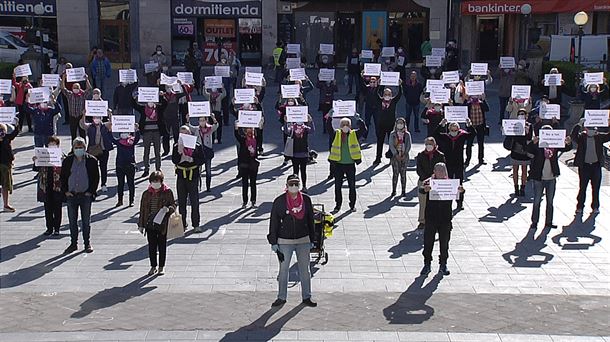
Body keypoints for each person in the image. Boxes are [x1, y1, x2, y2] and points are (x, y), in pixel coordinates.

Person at [267, 174, 317, 308]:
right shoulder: (280, 201)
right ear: (287, 186)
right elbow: (274, 222)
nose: (294, 186)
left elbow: (310, 220)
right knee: (283, 270)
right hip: (284, 241)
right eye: (291, 184)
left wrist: (313, 239)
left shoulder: (306, 200)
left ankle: (307, 296)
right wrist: (273, 242)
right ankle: (281, 297)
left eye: (296, 184)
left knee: (305, 270)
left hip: (303, 239)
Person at [420, 162, 464, 276]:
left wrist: (461, 191)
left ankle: (443, 264)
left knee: (444, 243)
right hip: (431, 217)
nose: (441, 173)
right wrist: (425, 189)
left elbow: (460, 192)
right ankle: (427, 263)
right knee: (428, 242)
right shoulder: (429, 182)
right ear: (434, 171)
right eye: (438, 171)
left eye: (443, 171)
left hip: (445, 218)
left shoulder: (450, 183)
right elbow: (421, 189)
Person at [527, 126, 572, 230]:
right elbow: (528, 150)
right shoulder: (537, 145)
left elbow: (566, 148)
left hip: (551, 178)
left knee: (550, 201)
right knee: (537, 201)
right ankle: (534, 222)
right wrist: (532, 142)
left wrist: (568, 143)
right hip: (539, 178)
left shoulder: (555, 145)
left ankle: (549, 222)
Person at [60, 137, 100, 254]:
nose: (79, 149)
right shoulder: (68, 161)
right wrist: (65, 191)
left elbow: (95, 178)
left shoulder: (91, 160)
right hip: (72, 195)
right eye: (76, 148)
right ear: (73, 148)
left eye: (81, 147)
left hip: (85, 195)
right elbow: (63, 177)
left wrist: (91, 192)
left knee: (86, 221)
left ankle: (87, 243)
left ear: (85, 148)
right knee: (72, 221)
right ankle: (73, 243)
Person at [138, 170, 176, 276]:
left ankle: (161, 266)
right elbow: (143, 210)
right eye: (153, 181)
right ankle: (153, 266)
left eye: (157, 181)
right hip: (150, 223)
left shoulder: (167, 192)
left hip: (162, 223)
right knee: (152, 246)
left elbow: (173, 204)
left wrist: (169, 209)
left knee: (162, 245)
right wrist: (141, 224)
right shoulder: (146, 194)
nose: (155, 183)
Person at [571, 120, 610, 214]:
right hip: (585, 166)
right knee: (583, 187)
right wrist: (578, 125)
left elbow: (609, 136)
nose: (593, 131)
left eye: (594, 129)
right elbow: (573, 135)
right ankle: (580, 206)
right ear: (586, 129)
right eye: (590, 129)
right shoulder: (581, 137)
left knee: (596, 188)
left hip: (596, 166)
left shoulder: (599, 137)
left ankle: (595, 206)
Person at [172, 126, 205, 231]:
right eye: (182, 134)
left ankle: (196, 224)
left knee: (194, 201)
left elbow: (202, 160)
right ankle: (183, 224)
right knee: (182, 202)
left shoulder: (197, 146)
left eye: (186, 133)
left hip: (193, 175)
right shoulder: (176, 145)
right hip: (181, 175)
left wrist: (193, 154)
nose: (184, 136)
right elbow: (174, 160)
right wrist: (179, 152)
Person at [434, 119, 471, 210]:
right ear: (449, 129)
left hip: (458, 163)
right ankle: (448, 202)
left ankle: (460, 202)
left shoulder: (462, 136)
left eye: (455, 130)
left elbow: (472, 134)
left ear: (458, 129)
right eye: (452, 130)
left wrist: (469, 125)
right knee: (448, 183)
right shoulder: (446, 137)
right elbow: (435, 134)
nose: (454, 132)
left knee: (459, 183)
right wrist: (441, 124)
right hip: (448, 163)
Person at [328, 118, 363, 213]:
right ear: (340, 126)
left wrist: (358, 118)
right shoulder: (336, 134)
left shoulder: (354, 134)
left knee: (352, 186)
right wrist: (330, 117)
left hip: (350, 165)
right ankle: (338, 205)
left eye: (347, 124)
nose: (345, 126)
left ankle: (352, 205)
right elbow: (329, 128)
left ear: (350, 126)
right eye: (343, 124)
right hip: (338, 165)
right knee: (337, 186)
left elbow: (364, 129)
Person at [33, 136, 64, 235]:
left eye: (54, 144)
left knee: (57, 208)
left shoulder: (61, 156)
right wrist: (35, 161)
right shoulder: (43, 155)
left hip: (57, 186)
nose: (52, 146)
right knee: (48, 208)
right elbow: (37, 169)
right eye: (50, 145)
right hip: (46, 186)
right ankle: (49, 228)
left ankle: (57, 228)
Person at [416, 137, 445, 229]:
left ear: (435, 145)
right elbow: (419, 169)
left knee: (435, 203)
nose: (429, 146)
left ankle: (435, 221)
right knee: (423, 202)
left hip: (436, 182)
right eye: (427, 144)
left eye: (431, 144)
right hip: (423, 181)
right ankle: (422, 221)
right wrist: (426, 180)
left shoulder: (440, 155)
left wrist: (434, 177)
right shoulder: (421, 155)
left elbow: (442, 168)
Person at [80, 114, 113, 193]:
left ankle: (103, 184)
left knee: (103, 167)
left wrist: (109, 114)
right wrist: (84, 115)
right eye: (95, 117)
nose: (96, 119)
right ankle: (92, 184)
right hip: (93, 150)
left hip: (104, 150)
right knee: (92, 168)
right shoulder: (90, 126)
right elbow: (82, 125)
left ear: (101, 118)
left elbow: (112, 123)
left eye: (98, 117)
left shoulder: (105, 126)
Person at [110, 126, 140, 207]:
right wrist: (110, 129)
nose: (124, 134)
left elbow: (137, 138)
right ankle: (120, 200)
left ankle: (131, 200)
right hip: (120, 165)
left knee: (131, 183)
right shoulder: (118, 142)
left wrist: (137, 129)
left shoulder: (132, 141)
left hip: (130, 165)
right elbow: (111, 138)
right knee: (120, 184)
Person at [374, 85, 403, 165]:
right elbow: (376, 93)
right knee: (380, 142)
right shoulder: (380, 101)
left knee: (392, 143)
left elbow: (400, 94)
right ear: (383, 95)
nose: (387, 96)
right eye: (385, 94)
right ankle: (378, 158)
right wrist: (378, 85)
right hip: (381, 125)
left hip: (391, 125)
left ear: (391, 95)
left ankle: (391, 156)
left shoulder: (393, 101)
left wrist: (400, 85)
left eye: (389, 94)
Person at [284, 115, 314, 192]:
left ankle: (304, 186)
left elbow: (312, 131)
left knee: (303, 171)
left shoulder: (305, 128)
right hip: (295, 153)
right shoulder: (292, 128)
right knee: (295, 171)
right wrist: (286, 122)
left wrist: (310, 121)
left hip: (304, 152)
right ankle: (295, 185)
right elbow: (286, 131)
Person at [189, 115, 218, 192]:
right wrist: (188, 119)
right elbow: (189, 127)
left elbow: (216, 126)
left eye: (203, 120)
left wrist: (213, 118)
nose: (202, 122)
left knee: (208, 170)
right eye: (200, 120)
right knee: (198, 170)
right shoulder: (196, 129)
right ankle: (198, 186)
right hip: (199, 152)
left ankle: (208, 186)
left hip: (207, 152)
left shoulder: (210, 128)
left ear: (206, 121)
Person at [235, 122, 261, 208]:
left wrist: (260, 125)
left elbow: (260, 134)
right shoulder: (243, 140)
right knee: (245, 183)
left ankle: (253, 200)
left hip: (253, 164)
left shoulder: (255, 139)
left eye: (252, 130)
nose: (250, 132)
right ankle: (244, 201)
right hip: (245, 164)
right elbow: (237, 135)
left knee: (253, 183)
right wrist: (236, 127)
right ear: (245, 132)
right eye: (248, 130)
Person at [507, 111, 533, 196]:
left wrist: (526, 130)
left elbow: (529, 138)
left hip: (525, 151)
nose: (522, 116)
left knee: (524, 170)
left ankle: (523, 188)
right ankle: (516, 188)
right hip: (515, 150)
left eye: (524, 114)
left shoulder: (529, 125)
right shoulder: (514, 124)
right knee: (515, 170)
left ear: (526, 116)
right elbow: (511, 136)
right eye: (520, 114)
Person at [61, 73, 91, 140]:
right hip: (72, 117)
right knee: (73, 134)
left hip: (80, 116)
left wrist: (87, 79)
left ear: (80, 88)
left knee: (82, 133)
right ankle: (73, 149)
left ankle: (84, 147)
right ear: (72, 88)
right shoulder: (70, 95)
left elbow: (89, 89)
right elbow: (63, 88)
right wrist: (63, 78)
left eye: (77, 88)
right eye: (74, 88)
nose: (75, 89)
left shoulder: (83, 95)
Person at [388, 117, 412, 197]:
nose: (400, 125)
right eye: (398, 123)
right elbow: (391, 145)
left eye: (402, 123)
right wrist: (395, 154)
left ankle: (403, 190)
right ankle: (394, 190)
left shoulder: (407, 134)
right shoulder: (392, 134)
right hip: (395, 157)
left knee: (403, 173)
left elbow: (409, 145)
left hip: (404, 156)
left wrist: (405, 154)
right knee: (395, 173)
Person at [0, 119, 20, 212]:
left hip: (6, 164)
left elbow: (15, 132)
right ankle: (5, 205)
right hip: (5, 164)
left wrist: (16, 124)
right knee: (5, 185)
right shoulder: (6, 138)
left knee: (5, 185)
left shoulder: (7, 138)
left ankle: (6, 205)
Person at [465, 94, 489, 166]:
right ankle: (467, 159)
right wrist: (466, 99)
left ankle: (481, 159)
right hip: (471, 127)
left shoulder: (481, 103)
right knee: (469, 144)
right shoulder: (468, 104)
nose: (475, 97)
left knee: (481, 143)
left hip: (480, 126)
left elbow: (487, 109)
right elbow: (463, 109)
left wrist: (484, 99)